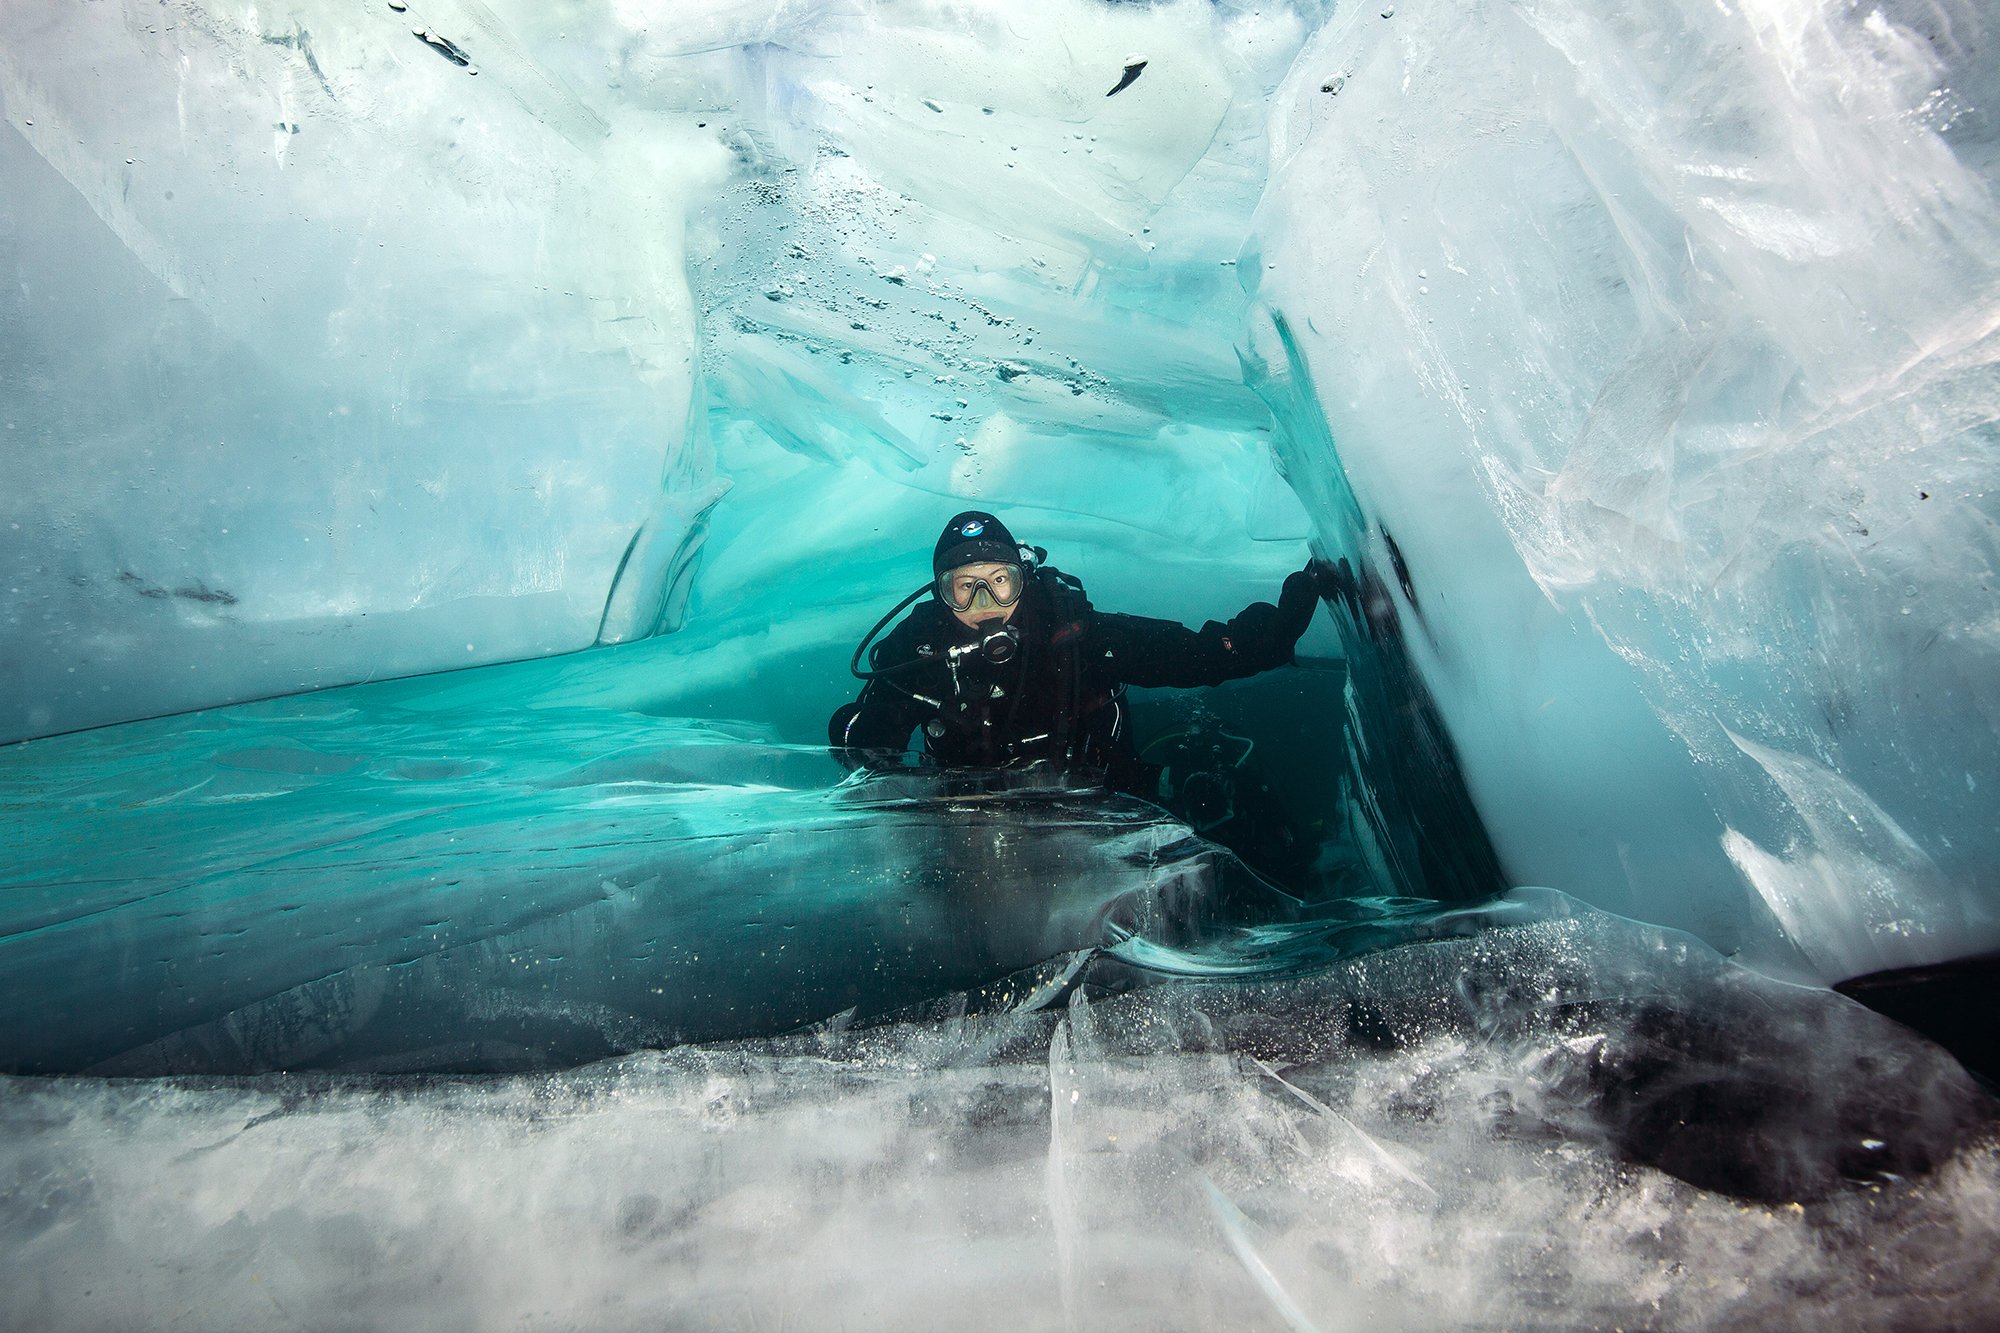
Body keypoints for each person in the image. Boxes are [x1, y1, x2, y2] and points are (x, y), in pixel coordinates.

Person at [828, 510, 1321, 795]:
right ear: (940, 595)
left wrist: (1277, 630)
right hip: (970, 817)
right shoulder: (919, 653)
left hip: (1099, 803)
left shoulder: (1074, 636)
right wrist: (861, 734)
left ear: (1023, 578)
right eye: (965, 589)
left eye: (1001, 582)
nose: (985, 604)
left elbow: (1194, 655)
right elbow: (870, 740)